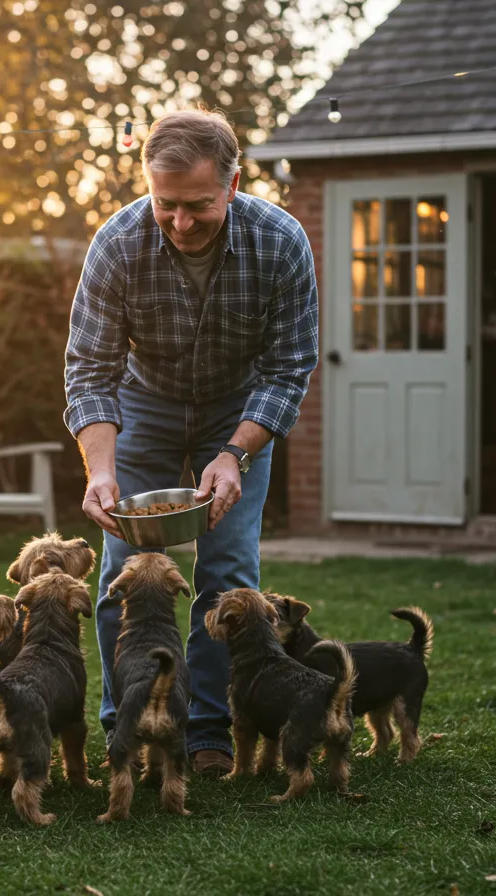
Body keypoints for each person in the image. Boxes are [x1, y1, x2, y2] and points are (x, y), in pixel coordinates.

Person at [63, 108, 318, 775]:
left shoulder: (280, 241)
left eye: (198, 205)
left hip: (238, 408)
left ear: (232, 185)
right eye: (165, 204)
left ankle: (208, 731)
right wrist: (99, 470)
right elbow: (90, 371)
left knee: (228, 571)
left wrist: (234, 454)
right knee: (125, 576)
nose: (179, 222)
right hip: (144, 404)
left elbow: (288, 369)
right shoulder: (117, 243)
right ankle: (126, 729)